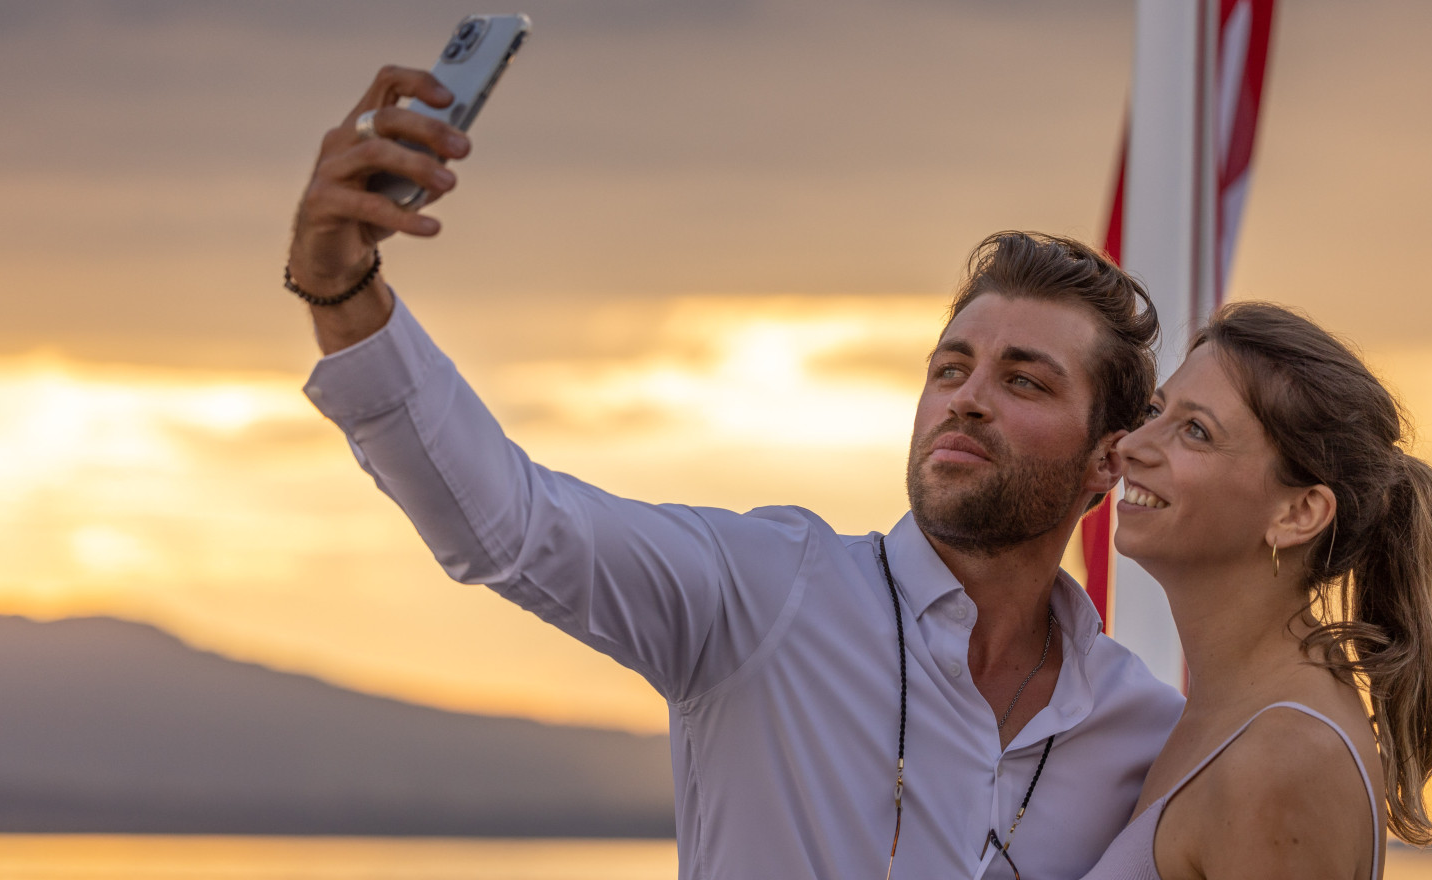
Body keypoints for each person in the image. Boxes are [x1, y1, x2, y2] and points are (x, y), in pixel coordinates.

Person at [286, 66, 1184, 879]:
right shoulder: (766, 592)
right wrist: (339, 284)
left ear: (1108, 458)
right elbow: (512, 523)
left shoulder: (1143, 730)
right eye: (951, 369)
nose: (967, 399)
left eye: (1022, 379)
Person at [1082, 302, 1432, 880]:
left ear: (1299, 513)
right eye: (1154, 410)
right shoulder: (1229, 716)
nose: (1134, 446)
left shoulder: (1280, 761)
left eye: (1196, 431)